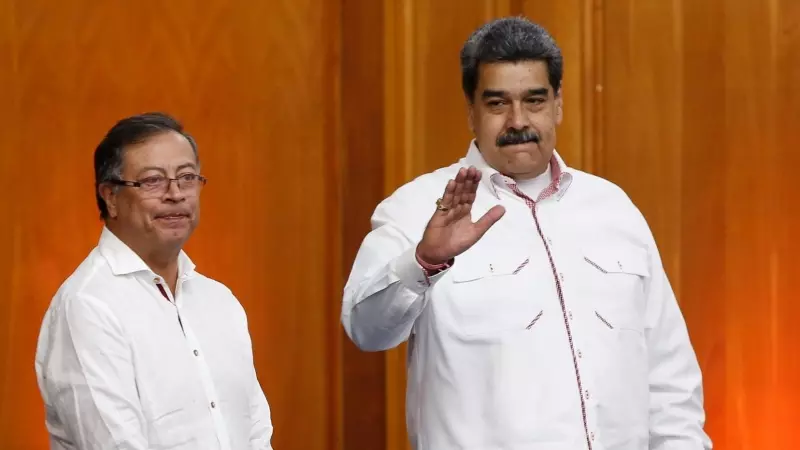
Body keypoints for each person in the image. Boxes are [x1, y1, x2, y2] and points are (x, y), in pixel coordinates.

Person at [342, 17, 710, 450]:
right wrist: (423, 263)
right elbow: (364, 328)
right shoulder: (418, 207)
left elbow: (669, 377)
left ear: (558, 104)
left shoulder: (614, 210)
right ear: (471, 110)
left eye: (534, 100)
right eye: (497, 104)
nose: (518, 120)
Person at [35, 113, 274, 450]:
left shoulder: (220, 301)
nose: (175, 194)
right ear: (111, 196)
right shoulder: (88, 306)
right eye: (152, 181)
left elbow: (256, 432)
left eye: (187, 177)